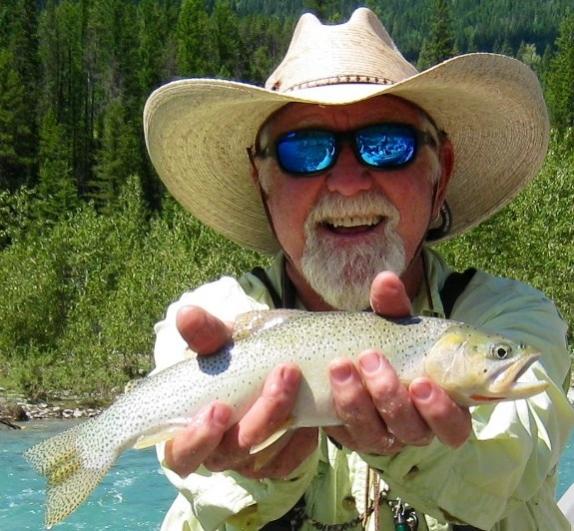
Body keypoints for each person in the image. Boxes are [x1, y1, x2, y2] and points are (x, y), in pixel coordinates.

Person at [144, 7, 573, 530]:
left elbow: (514, 463)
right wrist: (262, 471)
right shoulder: (211, 324)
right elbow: (202, 482)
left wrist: (424, 451)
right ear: (263, 183)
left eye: (387, 144)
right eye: (305, 150)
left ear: (441, 173)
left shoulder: (514, 319)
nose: (348, 183)